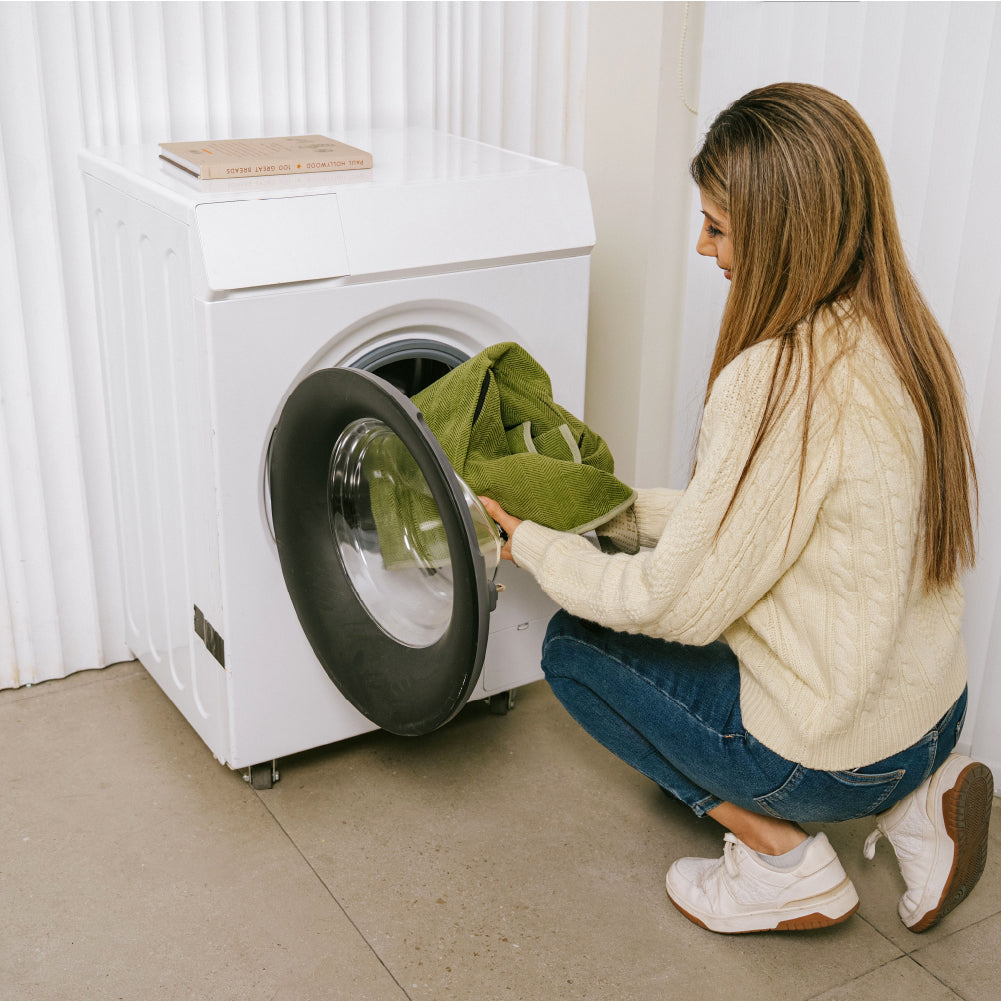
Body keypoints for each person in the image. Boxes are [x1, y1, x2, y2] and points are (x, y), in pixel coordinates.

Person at [479, 82, 994, 936]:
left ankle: (778, 861)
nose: (701, 244)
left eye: (717, 224)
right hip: (930, 712)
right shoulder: (901, 338)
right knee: (746, 636)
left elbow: (670, 604)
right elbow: (757, 529)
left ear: (783, 230)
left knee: (575, 648)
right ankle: (917, 802)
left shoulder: (774, 381)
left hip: (824, 761)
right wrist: (614, 511)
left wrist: (536, 547)